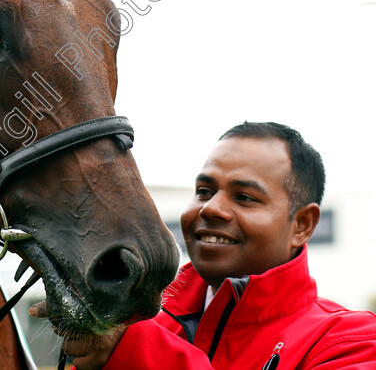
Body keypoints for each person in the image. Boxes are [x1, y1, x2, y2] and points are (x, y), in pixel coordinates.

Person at [34, 121, 376, 369]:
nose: (210, 208)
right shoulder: (136, 318)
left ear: (302, 224)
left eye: (244, 197)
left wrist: (134, 352)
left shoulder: (351, 342)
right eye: (204, 191)